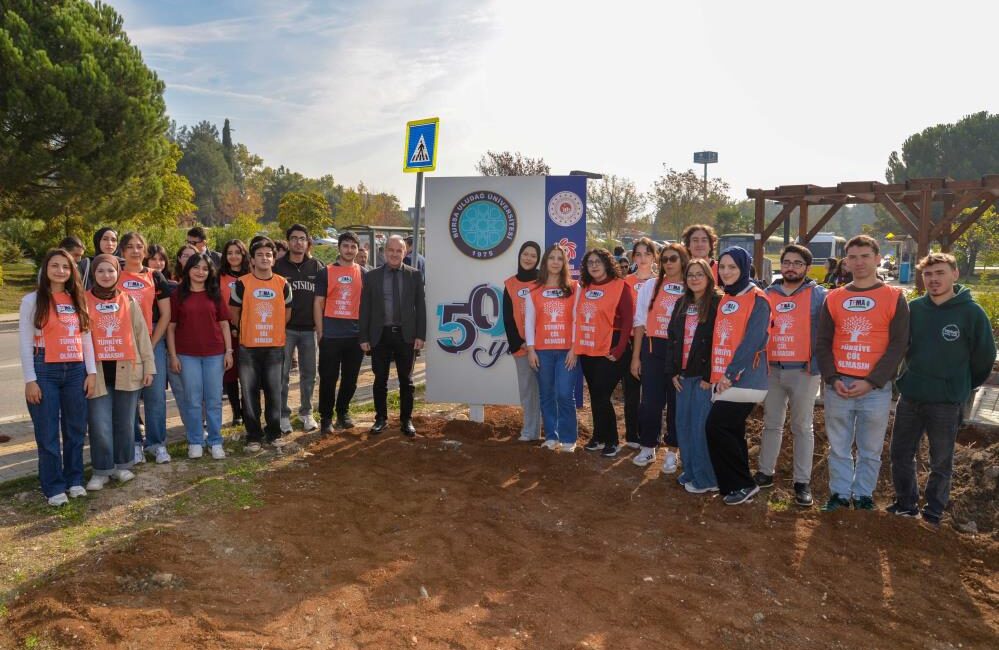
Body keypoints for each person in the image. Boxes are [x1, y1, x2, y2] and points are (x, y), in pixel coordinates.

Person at [888, 253, 996, 528]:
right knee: (900, 453)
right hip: (911, 395)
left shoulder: (971, 313)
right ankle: (905, 503)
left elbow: (984, 356)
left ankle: (933, 510)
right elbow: (900, 345)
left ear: (955, 274)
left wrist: (961, 383)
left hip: (946, 402)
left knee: (941, 459)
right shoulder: (914, 309)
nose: (934, 279)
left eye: (940, 273)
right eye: (928, 274)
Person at [816, 235, 909, 512]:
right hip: (839, 385)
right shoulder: (834, 298)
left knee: (870, 448)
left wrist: (871, 381)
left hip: (875, 389)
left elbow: (899, 345)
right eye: (853, 257)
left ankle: (864, 494)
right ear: (846, 261)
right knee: (839, 446)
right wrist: (832, 378)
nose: (859, 262)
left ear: (878, 258)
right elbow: (822, 342)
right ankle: (840, 494)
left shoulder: (894, 297)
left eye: (865, 256)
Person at [19, 249, 97, 506]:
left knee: (76, 430)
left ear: (72, 271)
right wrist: (31, 379)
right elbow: (24, 343)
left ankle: (75, 480)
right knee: (48, 433)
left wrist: (91, 372)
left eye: (66, 266)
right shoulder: (32, 300)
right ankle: (53, 487)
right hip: (45, 372)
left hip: (75, 371)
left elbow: (86, 338)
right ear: (46, 269)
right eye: (55, 265)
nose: (60, 270)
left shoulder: (78, 300)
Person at [755, 244, 827, 507]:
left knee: (802, 427)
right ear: (780, 264)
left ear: (807, 268)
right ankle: (765, 473)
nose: (791, 267)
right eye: (787, 262)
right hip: (772, 370)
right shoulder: (767, 293)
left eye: (797, 263)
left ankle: (802, 482)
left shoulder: (819, 295)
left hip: (804, 372)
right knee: (771, 424)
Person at [703, 247, 772, 505]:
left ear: (744, 268)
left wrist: (730, 375)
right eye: (722, 267)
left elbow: (752, 341)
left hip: (746, 379)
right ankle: (738, 486)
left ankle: (742, 482)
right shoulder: (727, 297)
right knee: (731, 431)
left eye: (732, 267)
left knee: (716, 427)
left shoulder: (758, 298)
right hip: (725, 376)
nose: (726, 272)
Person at [85, 254, 154, 490]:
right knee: (100, 424)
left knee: (125, 422)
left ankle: (123, 465)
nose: (106, 275)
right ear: (93, 274)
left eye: (111, 271)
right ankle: (102, 470)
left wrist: (149, 367)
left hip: (128, 371)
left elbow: (142, 335)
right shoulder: (83, 302)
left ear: (118, 273)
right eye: (101, 271)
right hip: (97, 374)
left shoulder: (128, 301)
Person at [229, 238, 293, 452]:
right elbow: (234, 312)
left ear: (274, 259)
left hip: (274, 347)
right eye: (260, 255)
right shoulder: (242, 284)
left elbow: (287, 313)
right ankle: (253, 436)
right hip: (248, 347)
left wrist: (272, 329)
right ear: (253, 259)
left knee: (275, 392)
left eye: (269, 254)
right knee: (249, 393)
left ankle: (274, 434)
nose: (264, 258)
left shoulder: (283, 284)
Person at [359, 235, 426, 436]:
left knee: (407, 380)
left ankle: (406, 420)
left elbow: (420, 308)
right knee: (380, 379)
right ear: (385, 252)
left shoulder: (414, 275)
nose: (395, 254)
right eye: (391, 250)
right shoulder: (372, 276)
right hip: (380, 336)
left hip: (406, 336)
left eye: (399, 251)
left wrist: (420, 335)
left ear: (405, 253)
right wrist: (363, 337)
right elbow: (365, 308)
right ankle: (381, 419)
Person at [168, 253, 233, 460]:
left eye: (205, 268)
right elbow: (171, 328)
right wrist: (173, 356)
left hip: (215, 354)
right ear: (188, 270)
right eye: (196, 268)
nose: (200, 272)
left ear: (210, 271)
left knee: (214, 400)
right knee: (193, 400)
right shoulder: (179, 294)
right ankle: (195, 440)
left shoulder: (215, 293)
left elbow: (224, 324)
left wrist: (229, 351)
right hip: (187, 355)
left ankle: (215, 441)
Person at [631, 242, 689, 469]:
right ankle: (648, 447)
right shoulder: (651, 286)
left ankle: (673, 451)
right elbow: (639, 323)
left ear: (683, 260)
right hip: (653, 349)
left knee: (676, 403)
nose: (668, 263)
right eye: (664, 259)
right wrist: (636, 357)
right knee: (650, 402)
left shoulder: (691, 286)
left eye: (673, 259)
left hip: (680, 352)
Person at [666, 258, 721, 494]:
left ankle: (706, 478)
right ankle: (689, 470)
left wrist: (710, 375)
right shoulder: (681, 303)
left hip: (703, 377)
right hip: (683, 376)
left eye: (700, 274)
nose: (695, 278)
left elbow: (720, 342)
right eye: (690, 275)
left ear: (709, 277)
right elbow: (672, 340)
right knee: (683, 425)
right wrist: (673, 372)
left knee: (700, 428)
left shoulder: (718, 303)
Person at [118, 232, 173, 465]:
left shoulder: (155, 276)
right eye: (129, 246)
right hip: (123, 342)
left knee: (155, 396)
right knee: (129, 396)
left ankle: (156, 444)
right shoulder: (114, 275)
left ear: (145, 250)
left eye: (139, 246)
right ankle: (135, 444)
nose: (134, 250)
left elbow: (166, 314)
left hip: (153, 340)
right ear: (122, 251)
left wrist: (149, 346)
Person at [576, 248, 633, 458]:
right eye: (590, 262)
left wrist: (619, 349)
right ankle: (598, 437)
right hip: (589, 346)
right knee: (595, 394)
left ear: (607, 263)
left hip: (613, 346)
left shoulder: (621, 286)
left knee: (601, 393)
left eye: (598, 261)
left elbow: (628, 320)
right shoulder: (585, 288)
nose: (594, 265)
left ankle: (612, 440)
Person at [525, 244, 578, 451]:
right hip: (542, 351)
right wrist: (531, 350)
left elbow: (576, 320)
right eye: (551, 258)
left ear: (564, 263)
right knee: (546, 394)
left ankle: (568, 439)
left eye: (559, 258)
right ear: (545, 262)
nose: (555, 262)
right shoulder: (534, 290)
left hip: (567, 351)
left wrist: (574, 349)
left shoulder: (574, 288)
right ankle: (551, 436)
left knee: (564, 394)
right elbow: (529, 321)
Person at [314, 231, 367, 434]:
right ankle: (326, 418)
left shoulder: (364, 273)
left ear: (357, 249)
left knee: (350, 379)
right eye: (345, 246)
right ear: (339, 248)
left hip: (354, 336)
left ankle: (343, 413)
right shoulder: (325, 272)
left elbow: (366, 305)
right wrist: (320, 332)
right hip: (331, 335)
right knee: (328, 378)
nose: (349, 250)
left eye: (353, 246)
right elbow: (318, 303)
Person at [274, 224, 325, 434]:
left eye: (302, 238)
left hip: (309, 329)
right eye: (294, 238)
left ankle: (306, 412)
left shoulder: (317, 267)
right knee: (282, 374)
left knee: (309, 373)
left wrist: (321, 327)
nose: (298, 242)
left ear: (307, 242)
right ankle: (283, 415)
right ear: (288, 242)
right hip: (285, 329)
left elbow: (323, 299)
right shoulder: (278, 267)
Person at [502, 241, 542, 442]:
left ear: (538, 259)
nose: (528, 258)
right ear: (520, 256)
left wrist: (537, 343)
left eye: (533, 255)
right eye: (525, 254)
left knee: (548, 391)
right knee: (527, 391)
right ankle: (530, 431)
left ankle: (551, 431)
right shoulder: (509, 284)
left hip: (544, 347)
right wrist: (521, 343)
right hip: (522, 348)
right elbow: (507, 319)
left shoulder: (543, 282)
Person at [622, 238, 657, 450]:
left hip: (654, 342)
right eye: (639, 254)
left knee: (652, 392)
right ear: (633, 257)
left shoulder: (660, 282)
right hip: (630, 341)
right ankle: (632, 434)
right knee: (632, 390)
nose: (643, 258)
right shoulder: (625, 282)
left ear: (654, 256)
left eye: (647, 253)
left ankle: (650, 433)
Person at [220, 240, 249, 426]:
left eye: (237, 252)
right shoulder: (218, 277)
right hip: (226, 330)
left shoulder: (251, 276)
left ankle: (248, 410)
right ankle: (236, 412)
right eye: (229, 252)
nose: (233, 256)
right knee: (230, 374)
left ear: (244, 255)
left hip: (248, 330)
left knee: (247, 373)